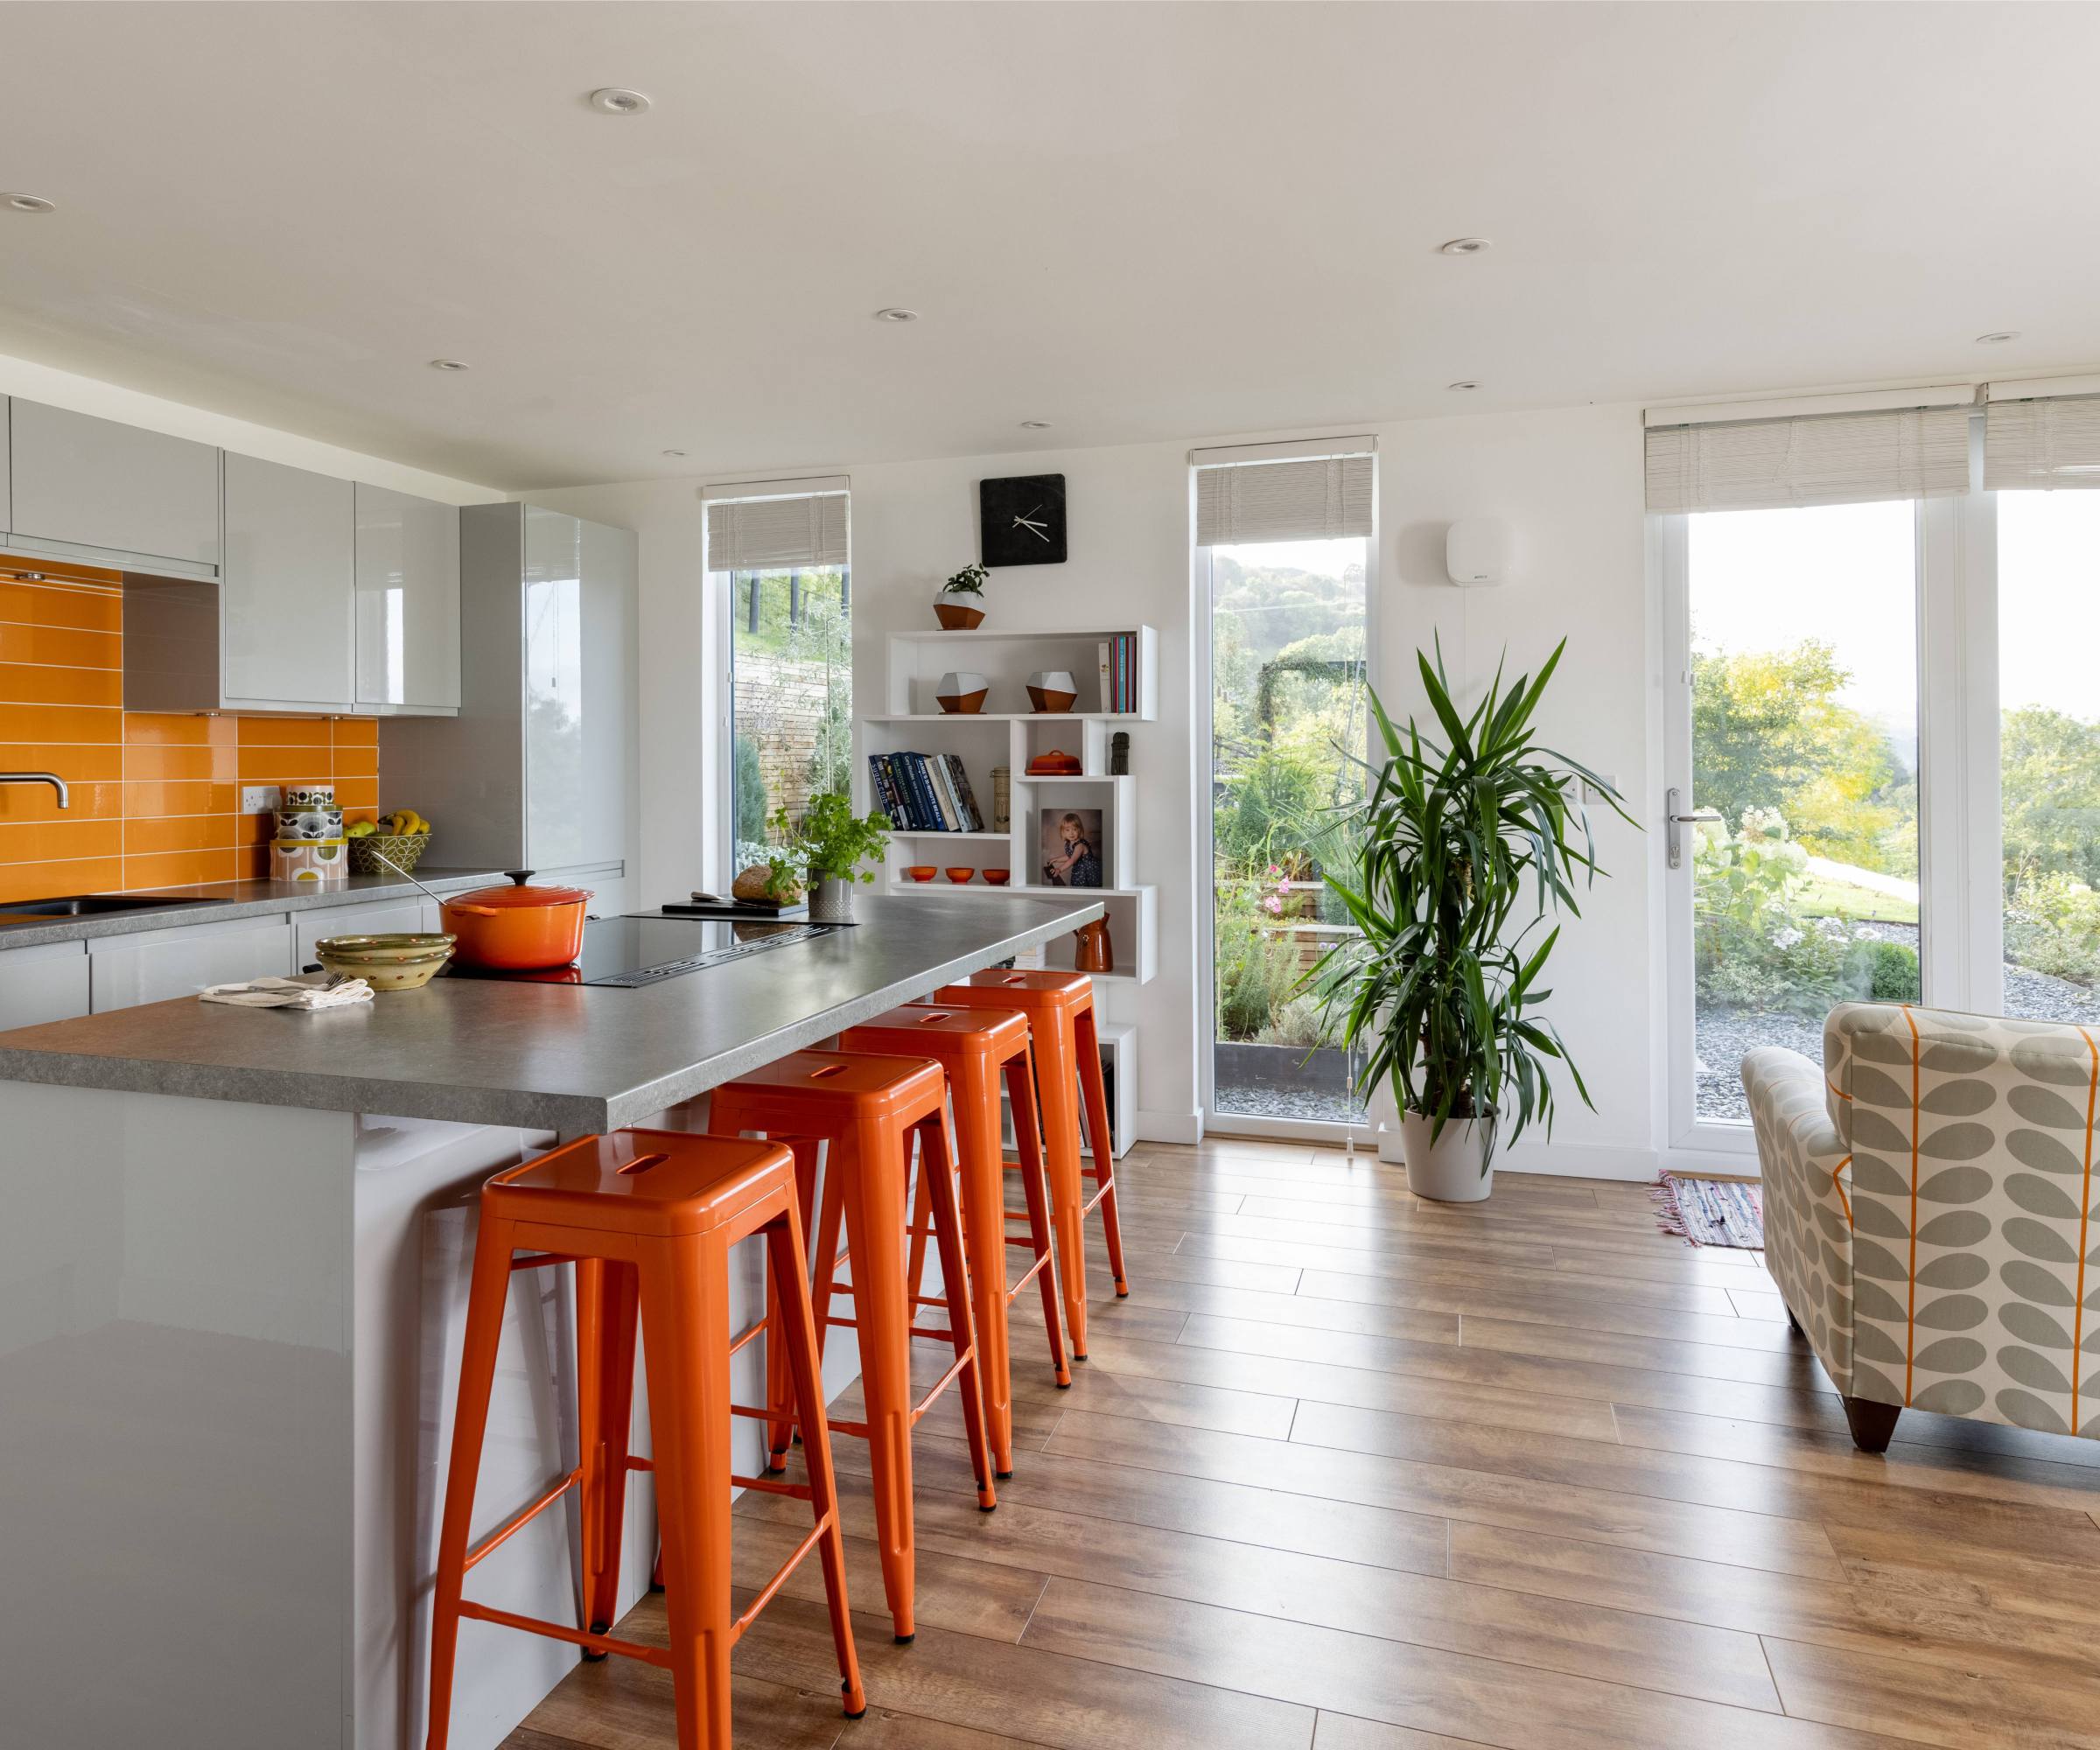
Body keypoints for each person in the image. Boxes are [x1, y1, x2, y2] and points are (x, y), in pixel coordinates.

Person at [1043, 812, 1102, 888]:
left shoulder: (1080, 845)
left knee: (1084, 889)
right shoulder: (1068, 843)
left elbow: (1072, 860)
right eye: (1067, 830)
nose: (1071, 833)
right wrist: (1056, 859)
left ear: (1080, 830)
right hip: (1079, 871)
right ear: (1063, 832)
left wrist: (1059, 869)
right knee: (1077, 887)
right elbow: (1069, 856)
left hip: (1088, 872)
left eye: (1074, 829)